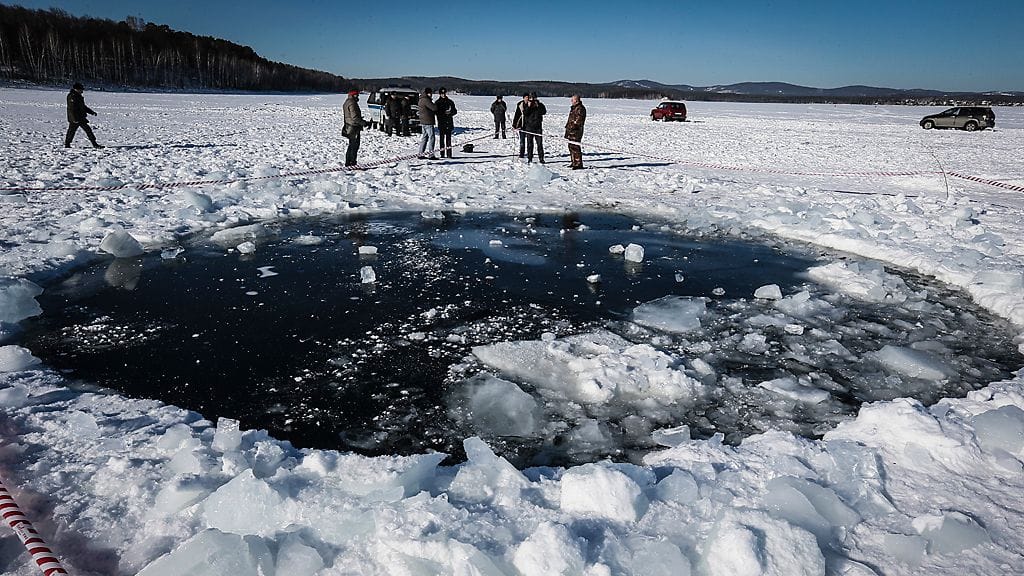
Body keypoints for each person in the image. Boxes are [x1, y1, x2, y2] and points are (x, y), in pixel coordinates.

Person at [65, 82, 103, 149]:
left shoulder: (78, 96)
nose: (82, 91)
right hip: (75, 118)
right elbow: (71, 109)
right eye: (81, 89)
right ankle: (67, 144)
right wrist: (74, 119)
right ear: (76, 89)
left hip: (81, 117)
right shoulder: (72, 96)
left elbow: (83, 107)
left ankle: (94, 144)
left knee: (87, 130)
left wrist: (91, 112)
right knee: (72, 131)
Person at [342, 90, 367, 167]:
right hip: (353, 127)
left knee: (351, 145)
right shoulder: (352, 103)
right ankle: (352, 163)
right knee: (354, 146)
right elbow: (354, 117)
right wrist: (363, 123)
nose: (358, 97)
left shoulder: (347, 102)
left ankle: (349, 162)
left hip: (349, 126)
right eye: (357, 95)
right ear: (353, 95)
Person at [522, 92, 546, 163]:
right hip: (529, 128)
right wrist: (529, 107)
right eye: (531, 98)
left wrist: (538, 106)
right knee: (529, 144)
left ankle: (541, 158)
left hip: (538, 127)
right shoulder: (526, 105)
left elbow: (543, 112)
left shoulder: (540, 105)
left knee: (539, 144)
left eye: (534, 98)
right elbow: (525, 113)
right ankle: (530, 158)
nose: (532, 99)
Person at [564, 94, 587, 169]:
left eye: (573, 99)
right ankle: (574, 162)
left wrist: (572, 127)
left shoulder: (580, 108)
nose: (571, 101)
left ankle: (578, 163)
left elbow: (578, 121)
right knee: (571, 146)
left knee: (575, 147)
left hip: (576, 131)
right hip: (570, 131)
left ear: (576, 100)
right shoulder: (574, 108)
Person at [435, 87, 457, 158]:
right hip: (441, 123)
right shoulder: (437, 102)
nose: (443, 95)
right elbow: (436, 112)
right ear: (440, 94)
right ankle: (442, 154)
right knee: (442, 139)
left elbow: (455, 111)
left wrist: (450, 113)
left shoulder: (450, 102)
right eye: (442, 94)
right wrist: (443, 113)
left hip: (449, 123)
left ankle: (449, 154)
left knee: (448, 139)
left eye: (444, 93)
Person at [418, 87, 438, 159]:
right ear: (428, 93)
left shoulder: (421, 99)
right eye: (430, 93)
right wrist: (434, 104)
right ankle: (431, 154)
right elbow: (434, 108)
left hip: (423, 121)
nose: (431, 94)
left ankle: (421, 153)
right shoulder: (426, 100)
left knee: (424, 137)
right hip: (428, 121)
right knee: (431, 137)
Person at [511, 93, 529, 157]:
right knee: (522, 140)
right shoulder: (520, 105)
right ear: (523, 98)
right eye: (526, 97)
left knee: (529, 141)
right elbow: (517, 115)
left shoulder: (531, 105)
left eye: (528, 97)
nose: (527, 99)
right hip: (521, 125)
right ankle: (522, 153)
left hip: (529, 125)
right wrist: (514, 124)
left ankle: (530, 153)